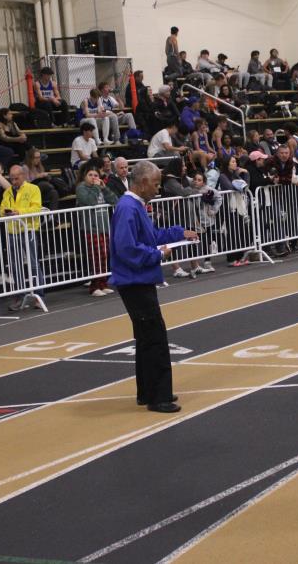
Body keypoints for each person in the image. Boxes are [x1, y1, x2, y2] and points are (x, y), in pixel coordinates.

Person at [109, 161, 198, 413]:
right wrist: (156, 254)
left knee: (146, 338)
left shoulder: (134, 206)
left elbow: (150, 236)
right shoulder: (128, 207)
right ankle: (159, 396)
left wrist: (179, 233)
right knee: (155, 337)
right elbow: (127, 248)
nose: (158, 188)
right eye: (156, 183)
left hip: (139, 279)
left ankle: (148, 391)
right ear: (143, 182)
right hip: (134, 281)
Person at [0, 164, 43, 310]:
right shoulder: (7, 192)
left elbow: (36, 208)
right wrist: (5, 213)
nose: (13, 181)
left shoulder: (33, 189)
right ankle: (20, 296)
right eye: (11, 179)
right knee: (15, 265)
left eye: (16, 178)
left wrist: (18, 212)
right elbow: (1, 209)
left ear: (23, 176)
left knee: (33, 263)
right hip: (12, 232)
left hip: (28, 230)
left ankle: (38, 296)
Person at [75, 161, 119, 296]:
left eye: (96, 175)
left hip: (104, 227)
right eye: (90, 175)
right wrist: (96, 187)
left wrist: (104, 189)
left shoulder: (100, 188)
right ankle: (94, 287)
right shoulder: (81, 188)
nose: (93, 178)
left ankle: (103, 283)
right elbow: (91, 202)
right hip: (91, 228)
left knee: (104, 256)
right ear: (84, 176)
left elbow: (114, 200)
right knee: (96, 257)